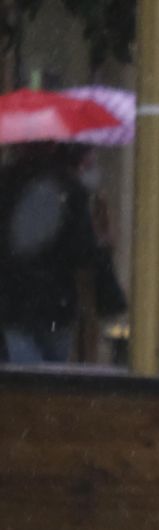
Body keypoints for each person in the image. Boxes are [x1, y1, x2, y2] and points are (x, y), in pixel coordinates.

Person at [0, 143, 102, 364]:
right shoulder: (69, 188)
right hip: (57, 303)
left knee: (26, 379)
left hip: (14, 302)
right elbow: (83, 253)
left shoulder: (6, 184)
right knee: (54, 376)